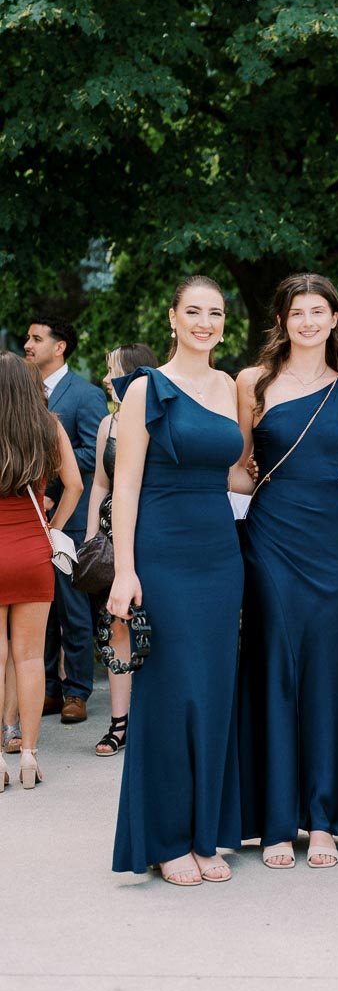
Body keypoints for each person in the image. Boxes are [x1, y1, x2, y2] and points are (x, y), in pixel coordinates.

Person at [107, 276, 247, 884]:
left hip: (220, 551)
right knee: (169, 693)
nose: (205, 322)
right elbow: (126, 486)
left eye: (215, 313)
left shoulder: (227, 386)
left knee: (213, 693)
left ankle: (205, 832)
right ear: (172, 318)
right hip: (163, 551)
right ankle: (164, 839)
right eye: (193, 311)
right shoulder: (145, 389)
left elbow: (237, 474)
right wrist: (125, 569)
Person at [236, 273, 338, 870]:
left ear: (334, 319)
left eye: (318, 311)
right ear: (282, 321)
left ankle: (323, 817)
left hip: (332, 543)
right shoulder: (252, 384)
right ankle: (276, 821)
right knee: (275, 670)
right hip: (270, 539)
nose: (307, 321)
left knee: (327, 674)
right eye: (296, 312)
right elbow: (239, 470)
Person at [0, 353, 82, 791]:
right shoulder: (49, 425)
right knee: (30, 658)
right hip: (33, 549)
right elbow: (75, 484)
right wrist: (53, 527)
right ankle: (29, 755)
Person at [24, 316, 107, 723]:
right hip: (30, 520)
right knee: (43, 610)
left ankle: (77, 691)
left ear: (60, 347)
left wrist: (52, 481)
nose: (27, 344)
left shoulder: (86, 395)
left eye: (36, 339)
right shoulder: (25, 395)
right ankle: (49, 690)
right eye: (27, 337)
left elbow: (93, 453)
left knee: (73, 610)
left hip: (70, 519)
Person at [84, 343, 159, 756]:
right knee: (116, 627)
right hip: (113, 538)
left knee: (158, 626)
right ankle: (119, 723)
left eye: (112, 371)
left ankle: (153, 718)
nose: (106, 379)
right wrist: (92, 538)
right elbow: (100, 483)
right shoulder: (106, 426)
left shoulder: (162, 418)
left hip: (156, 529)